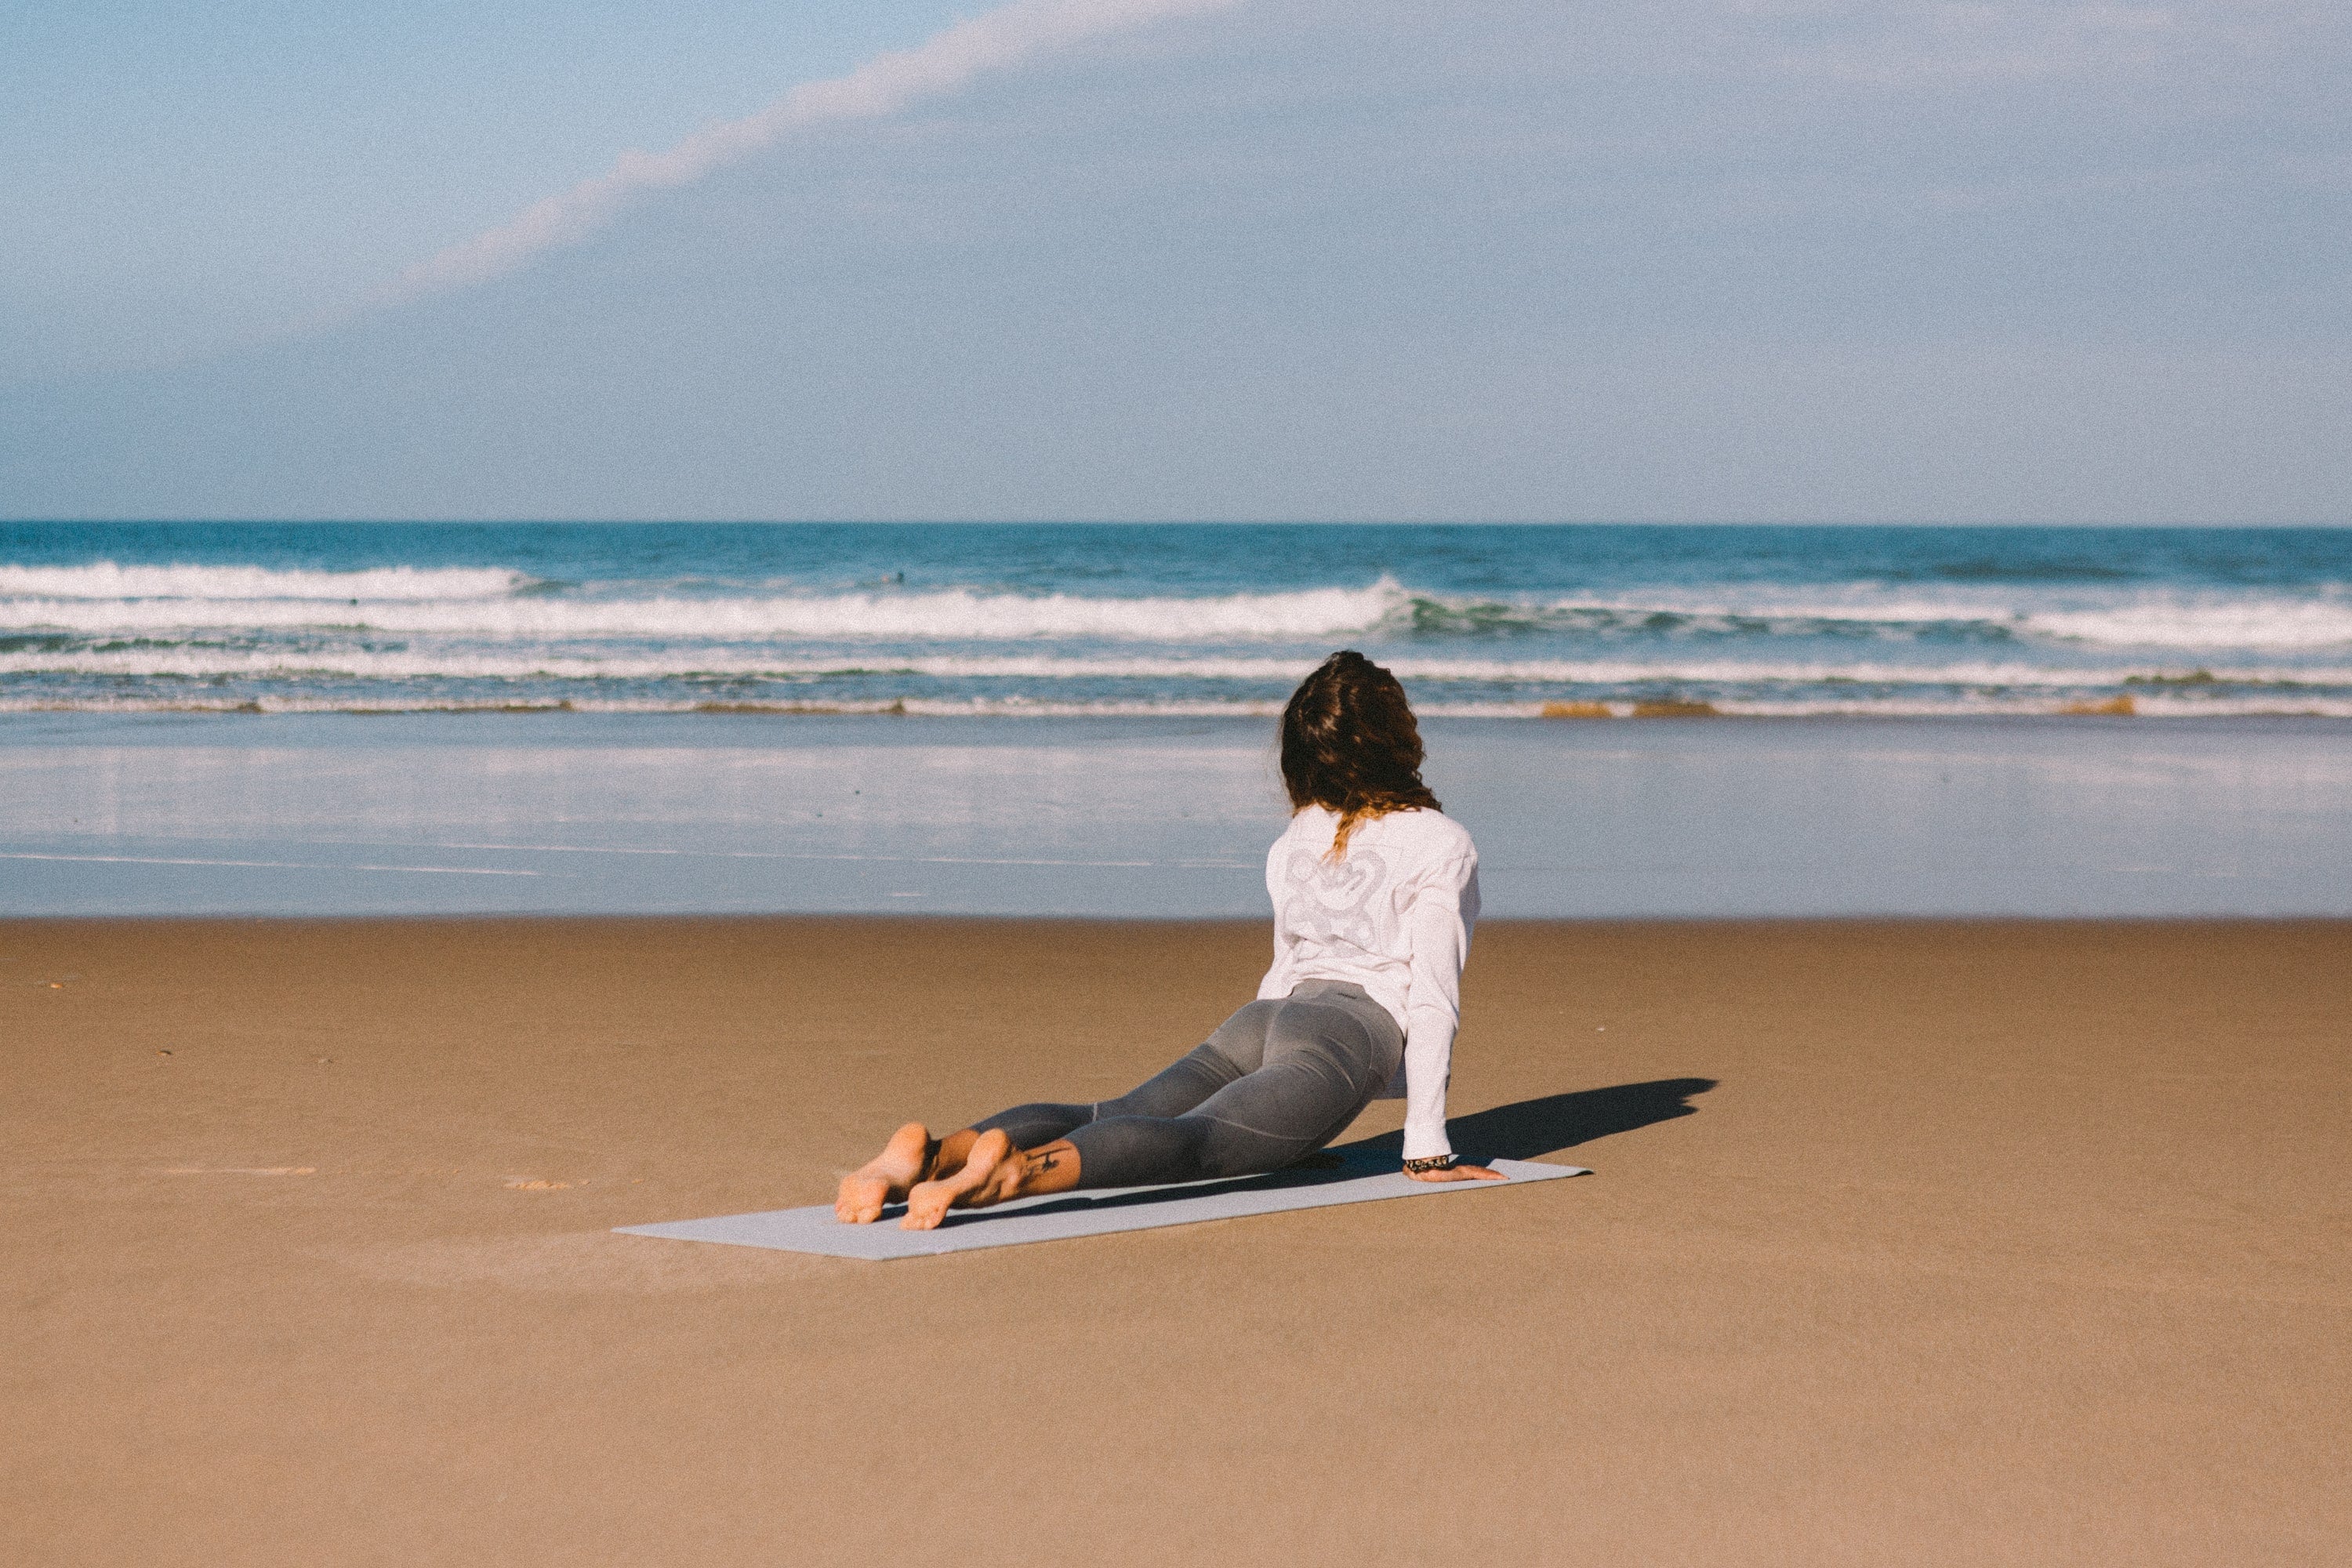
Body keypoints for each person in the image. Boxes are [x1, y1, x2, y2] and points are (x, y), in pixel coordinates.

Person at [835, 648, 1502, 1231]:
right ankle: (1013, 1174)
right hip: (1348, 1035)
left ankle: (925, 1157)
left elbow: (1285, 969)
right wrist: (1425, 1146)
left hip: (1261, 1021)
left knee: (1113, 1108)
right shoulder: (1441, 843)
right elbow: (1432, 1000)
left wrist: (1278, 1083)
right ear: (1398, 738)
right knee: (1198, 1142)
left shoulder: (1295, 839)